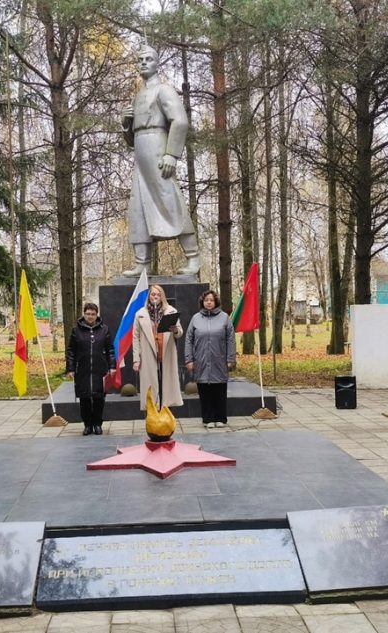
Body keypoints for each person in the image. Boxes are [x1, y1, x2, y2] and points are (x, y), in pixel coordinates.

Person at [121, 45, 200, 276]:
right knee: (138, 207)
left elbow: (180, 121)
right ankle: (141, 263)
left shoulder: (164, 90)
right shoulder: (137, 97)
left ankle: (193, 257)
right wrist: (126, 123)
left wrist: (171, 154)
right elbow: (131, 141)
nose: (143, 63)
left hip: (158, 147)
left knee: (170, 200)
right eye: (140, 60)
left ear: (157, 63)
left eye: (148, 59)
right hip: (141, 154)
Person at [184, 290, 236, 428]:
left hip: (219, 360)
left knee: (219, 390)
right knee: (204, 391)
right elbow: (189, 339)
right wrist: (189, 360)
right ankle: (207, 419)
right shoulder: (195, 318)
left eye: (211, 300)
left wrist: (230, 358)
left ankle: (220, 418)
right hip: (201, 360)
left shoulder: (225, 317)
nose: (208, 302)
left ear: (216, 302)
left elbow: (231, 339)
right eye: (206, 300)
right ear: (202, 302)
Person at [66, 303, 116, 435]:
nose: (90, 316)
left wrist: (112, 366)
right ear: (84, 314)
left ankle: (97, 424)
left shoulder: (104, 330)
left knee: (99, 398)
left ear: (97, 315)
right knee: (85, 398)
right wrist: (70, 368)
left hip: (100, 370)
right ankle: (88, 425)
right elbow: (71, 351)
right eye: (88, 314)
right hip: (83, 370)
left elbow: (110, 350)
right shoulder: (76, 330)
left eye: (93, 314)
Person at [132, 284, 183, 410]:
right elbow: (135, 337)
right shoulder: (140, 314)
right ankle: (152, 419)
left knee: (166, 387)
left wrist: (175, 330)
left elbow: (180, 332)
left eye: (158, 294)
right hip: (149, 354)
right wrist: (136, 359)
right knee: (150, 387)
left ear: (162, 297)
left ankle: (166, 418)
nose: (155, 297)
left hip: (165, 353)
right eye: (153, 294)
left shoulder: (171, 311)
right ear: (149, 296)